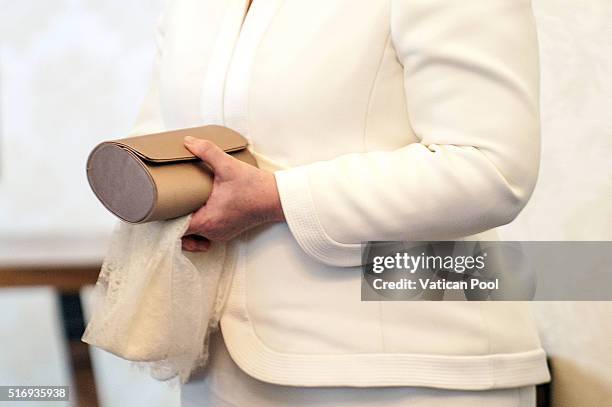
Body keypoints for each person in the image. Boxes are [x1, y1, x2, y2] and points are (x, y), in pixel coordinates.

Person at [128, 0, 550, 405]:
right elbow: (160, 142)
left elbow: (490, 170)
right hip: (218, 364)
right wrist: (159, 200)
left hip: (414, 369)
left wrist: (277, 198)